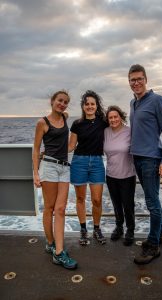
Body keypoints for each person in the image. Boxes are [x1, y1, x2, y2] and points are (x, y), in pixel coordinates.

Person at [128, 64, 162, 264]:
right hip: (137, 158)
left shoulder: (157, 100)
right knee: (153, 199)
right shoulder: (133, 103)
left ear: (146, 79)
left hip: (152, 159)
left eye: (139, 79)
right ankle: (161, 234)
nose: (136, 83)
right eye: (132, 80)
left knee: (151, 203)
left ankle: (153, 245)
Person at [32, 90, 77, 270]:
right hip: (49, 167)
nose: (63, 104)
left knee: (60, 209)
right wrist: (36, 173)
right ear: (52, 101)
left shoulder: (65, 117)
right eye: (60, 100)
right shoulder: (42, 122)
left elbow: (67, 143)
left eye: (65, 102)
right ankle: (52, 244)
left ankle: (58, 252)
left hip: (65, 167)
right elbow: (36, 149)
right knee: (49, 208)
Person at [69, 90, 107, 246]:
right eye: (87, 104)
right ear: (83, 107)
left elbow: (119, 127)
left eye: (92, 104)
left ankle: (96, 229)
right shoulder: (77, 124)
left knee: (97, 200)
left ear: (96, 106)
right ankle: (83, 229)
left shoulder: (103, 121)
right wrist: (50, 150)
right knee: (80, 198)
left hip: (97, 162)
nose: (90, 106)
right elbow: (71, 146)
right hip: (79, 162)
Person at [104, 106, 136, 246]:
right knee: (116, 204)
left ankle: (130, 229)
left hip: (128, 175)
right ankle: (119, 227)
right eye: (110, 117)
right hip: (111, 175)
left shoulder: (130, 131)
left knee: (128, 205)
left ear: (121, 116)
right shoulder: (105, 132)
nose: (113, 119)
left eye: (115, 116)